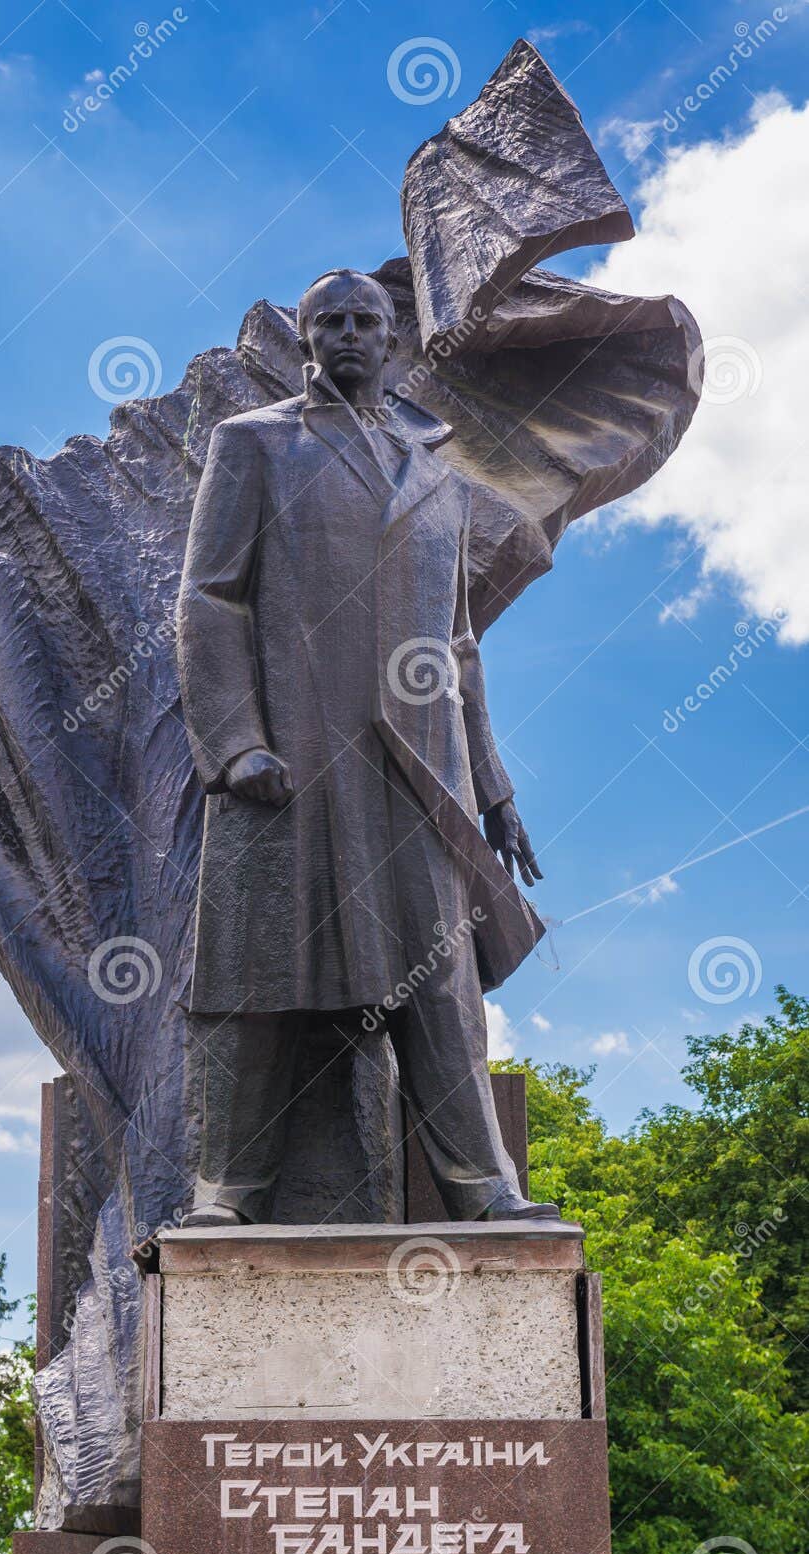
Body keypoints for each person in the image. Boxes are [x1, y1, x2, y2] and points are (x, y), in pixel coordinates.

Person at [175, 267, 559, 1226]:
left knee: (440, 977)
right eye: (329, 321)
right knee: (262, 978)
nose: (349, 335)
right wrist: (233, 745)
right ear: (305, 339)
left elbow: (460, 643)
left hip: (418, 763)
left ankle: (482, 1187)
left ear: (392, 342)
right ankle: (228, 1193)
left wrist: (495, 787)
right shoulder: (253, 444)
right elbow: (209, 597)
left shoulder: (438, 470)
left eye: (366, 322)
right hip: (292, 759)